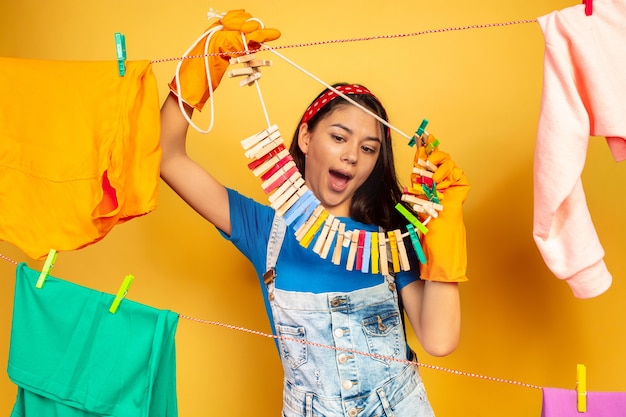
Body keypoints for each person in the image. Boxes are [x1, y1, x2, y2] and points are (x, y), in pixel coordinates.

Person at [160, 9, 467, 417]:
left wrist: (446, 227)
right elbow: (167, 157)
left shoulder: (391, 237)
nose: (352, 155)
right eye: (339, 136)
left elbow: (440, 340)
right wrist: (199, 68)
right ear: (306, 136)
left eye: (369, 147)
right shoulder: (262, 229)